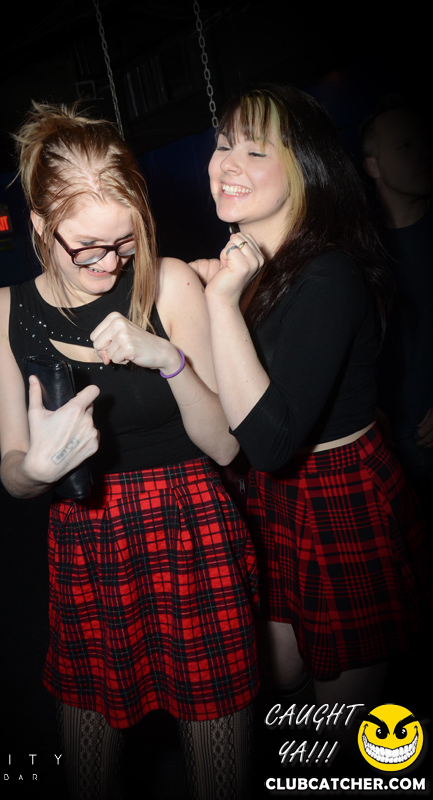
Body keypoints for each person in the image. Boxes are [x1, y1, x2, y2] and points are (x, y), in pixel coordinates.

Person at [0, 101, 259, 800]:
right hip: (88, 541)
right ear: (39, 225)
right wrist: (35, 470)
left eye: (126, 242)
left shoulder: (170, 281)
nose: (109, 264)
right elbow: (12, 470)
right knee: (90, 774)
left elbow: (227, 445)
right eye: (87, 248)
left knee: (218, 773)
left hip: (191, 527)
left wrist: (168, 360)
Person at [190, 84, 431, 709]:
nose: (227, 164)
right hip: (278, 498)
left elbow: (268, 443)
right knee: (277, 671)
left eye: (255, 151)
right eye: (223, 145)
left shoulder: (328, 271)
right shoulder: (254, 265)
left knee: (341, 714)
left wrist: (219, 304)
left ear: (305, 169)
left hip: (340, 491)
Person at [361, 97, 433, 523]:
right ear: (373, 166)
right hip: (391, 453)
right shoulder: (362, 254)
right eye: (405, 146)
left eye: (424, 141)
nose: (422, 153)